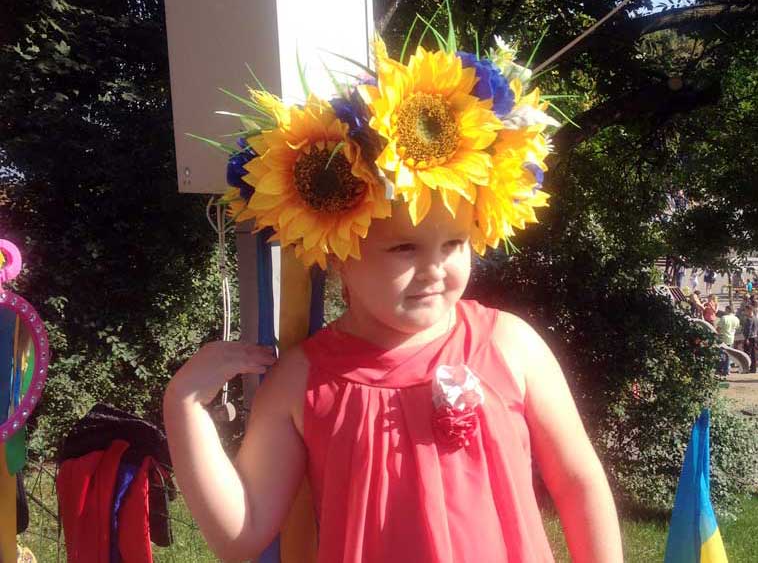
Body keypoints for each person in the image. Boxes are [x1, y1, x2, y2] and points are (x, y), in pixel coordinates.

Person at [163, 36, 623, 563]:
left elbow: (578, 481)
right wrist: (185, 407)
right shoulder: (303, 380)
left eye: (454, 244)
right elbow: (239, 534)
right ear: (337, 251)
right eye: (404, 247)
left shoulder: (510, 346)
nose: (435, 269)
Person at [717, 306, 741, 376]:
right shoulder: (736, 318)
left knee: (722, 354)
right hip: (731, 338)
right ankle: (727, 369)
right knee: (729, 354)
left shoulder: (724, 318)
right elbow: (737, 328)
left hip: (723, 337)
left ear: (727, 310)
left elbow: (718, 328)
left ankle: (723, 369)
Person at [743, 306, 757, 373]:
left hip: (750, 338)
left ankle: (747, 368)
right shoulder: (755, 318)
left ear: (749, 310)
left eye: (746, 310)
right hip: (754, 336)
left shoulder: (749, 319)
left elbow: (749, 329)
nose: (745, 312)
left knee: (747, 353)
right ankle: (753, 368)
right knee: (753, 353)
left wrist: (746, 338)